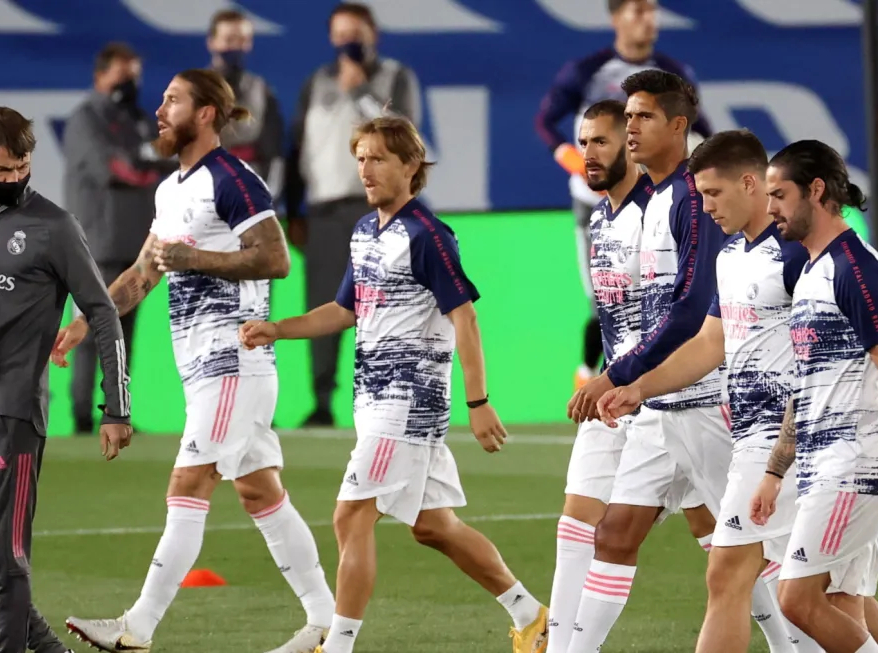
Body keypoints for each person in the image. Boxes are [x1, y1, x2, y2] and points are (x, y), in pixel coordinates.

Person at [240, 115, 548, 653]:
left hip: (407, 402)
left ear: (410, 165)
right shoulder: (366, 231)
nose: (366, 168)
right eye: (360, 157)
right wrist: (278, 330)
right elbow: (344, 311)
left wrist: (479, 402)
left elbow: (466, 318)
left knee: (351, 513)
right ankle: (531, 615)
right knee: (433, 526)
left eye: (378, 157)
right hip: (374, 400)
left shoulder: (428, 235)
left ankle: (337, 645)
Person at [55, 69, 335, 653]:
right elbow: (142, 274)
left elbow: (277, 259)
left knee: (189, 482)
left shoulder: (234, 179)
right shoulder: (171, 190)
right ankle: (325, 622)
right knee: (260, 493)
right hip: (206, 367)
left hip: (233, 358)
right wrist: (87, 321)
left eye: (173, 100)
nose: (160, 109)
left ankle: (138, 627)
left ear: (206, 113)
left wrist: (196, 256)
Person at [599, 130, 878, 653]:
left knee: (742, 578)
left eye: (714, 194)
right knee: (831, 598)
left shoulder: (803, 256)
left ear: (751, 183)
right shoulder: (731, 256)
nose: (705, 206)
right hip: (771, 445)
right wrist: (638, 386)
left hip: (797, 442)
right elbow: (710, 343)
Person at [0, 106, 132, 653]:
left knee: (5, 555)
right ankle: (45, 645)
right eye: (3, 170)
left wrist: (115, 408)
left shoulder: (55, 227)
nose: (15, 179)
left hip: (13, 412)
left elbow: (104, 312)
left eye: (23, 168)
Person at [562, 69, 729, 653]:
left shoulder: (690, 198)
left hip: (710, 402)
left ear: (679, 126)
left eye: (643, 117)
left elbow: (690, 313)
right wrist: (636, 385)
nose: (630, 126)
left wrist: (619, 375)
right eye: (626, 116)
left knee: (749, 549)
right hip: (661, 404)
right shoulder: (658, 199)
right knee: (614, 535)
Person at [757, 140, 878, 653]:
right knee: (840, 602)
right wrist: (776, 468)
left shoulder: (854, 265)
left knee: (797, 599)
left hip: (850, 466)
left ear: (816, 190)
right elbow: (809, 380)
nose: (770, 208)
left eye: (779, 195)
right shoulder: (811, 268)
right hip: (826, 462)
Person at [534, 0, 714, 392]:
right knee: (603, 295)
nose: (648, 19)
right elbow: (545, 121)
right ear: (616, 18)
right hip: (593, 199)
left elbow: (702, 131)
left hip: (649, 197)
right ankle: (590, 374)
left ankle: (636, 378)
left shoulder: (674, 74)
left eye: (652, 10)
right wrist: (570, 157)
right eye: (637, 11)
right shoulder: (587, 71)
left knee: (649, 289)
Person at [546, 99, 654, 653]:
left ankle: (792, 639)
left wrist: (622, 378)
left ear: (630, 147)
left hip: (665, 400)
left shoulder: (656, 215)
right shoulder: (599, 218)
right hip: (613, 395)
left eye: (602, 142)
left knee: (724, 544)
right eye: (584, 142)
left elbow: (676, 316)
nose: (589, 154)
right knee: (575, 523)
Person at [284, 1, 421, 428]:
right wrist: (294, 209)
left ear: (373, 34)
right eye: (341, 34)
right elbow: (298, 149)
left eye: (356, 33)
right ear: (331, 39)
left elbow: (404, 137)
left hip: (379, 210)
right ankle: (322, 400)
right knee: (326, 303)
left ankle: (392, 394)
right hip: (324, 212)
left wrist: (362, 90)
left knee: (387, 302)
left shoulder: (394, 76)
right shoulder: (316, 83)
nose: (349, 41)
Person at [63, 41, 171, 434]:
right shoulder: (85, 119)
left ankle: (115, 410)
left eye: (135, 75)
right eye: (123, 74)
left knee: (124, 335)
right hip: (96, 240)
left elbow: (162, 156)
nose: (130, 82)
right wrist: (148, 167)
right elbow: (115, 167)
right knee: (91, 328)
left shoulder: (139, 119)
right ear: (100, 76)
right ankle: (79, 415)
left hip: (134, 243)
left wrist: (149, 163)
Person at [207, 9, 285, 193]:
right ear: (212, 42)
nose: (235, 46)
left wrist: (269, 193)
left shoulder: (261, 89)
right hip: (207, 187)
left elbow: (273, 149)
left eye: (242, 40)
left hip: (250, 187)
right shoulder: (194, 89)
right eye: (228, 40)